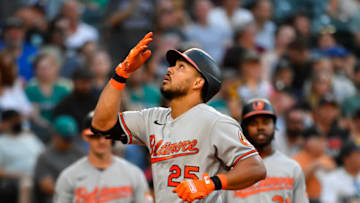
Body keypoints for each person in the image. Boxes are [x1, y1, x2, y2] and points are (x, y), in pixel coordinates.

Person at [91, 32, 266, 203]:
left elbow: (256, 167)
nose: (170, 69)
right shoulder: (151, 117)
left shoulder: (215, 121)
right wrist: (122, 73)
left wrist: (211, 183)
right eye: (173, 65)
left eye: (181, 67)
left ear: (198, 83)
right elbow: (101, 125)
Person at [54, 111, 153, 203]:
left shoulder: (134, 175)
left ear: (113, 136)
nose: (101, 141)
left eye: (106, 135)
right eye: (95, 136)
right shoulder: (69, 177)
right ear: (85, 136)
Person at [225, 98, 308, 202]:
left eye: (266, 122)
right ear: (244, 128)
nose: (260, 127)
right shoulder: (230, 170)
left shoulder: (292, 167)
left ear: (274, 126)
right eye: (253, 123)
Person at [32, 115, 84, 203]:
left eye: (71, 138)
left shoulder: (80, 153)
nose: (69, 142)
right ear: (55, 135)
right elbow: (46, 186)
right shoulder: (45, 156)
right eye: (66, 139)